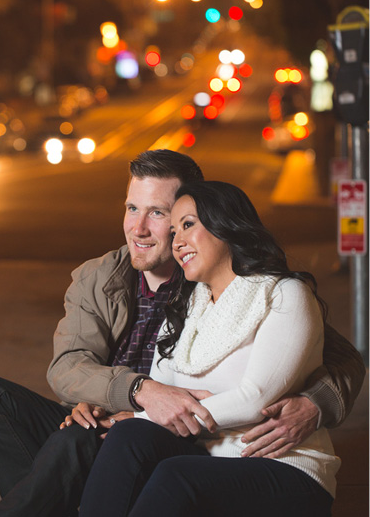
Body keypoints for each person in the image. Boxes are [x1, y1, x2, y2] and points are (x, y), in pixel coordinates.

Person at [0, 149, 364, 517]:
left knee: (78, 442)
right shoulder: (99, 276)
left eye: (159, 213)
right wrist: (134, 393)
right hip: (119, 417)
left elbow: (337, 356)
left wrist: (313, 404)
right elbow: (67, 367)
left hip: (167, 436)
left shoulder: (220, 280)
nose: (139, 228)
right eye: (132, 209)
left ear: (201, 215)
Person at [77, 181, 340, 516]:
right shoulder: (185, 307)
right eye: (173, 231)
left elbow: (256, 399)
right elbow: (165, 392)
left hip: (283, 465)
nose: (178, 242)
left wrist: (147, 414)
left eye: (188, 225)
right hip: (206, 456)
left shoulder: (284, 294)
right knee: (129, 436)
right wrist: (136, 418)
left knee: (175, 474)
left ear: (226, 225)